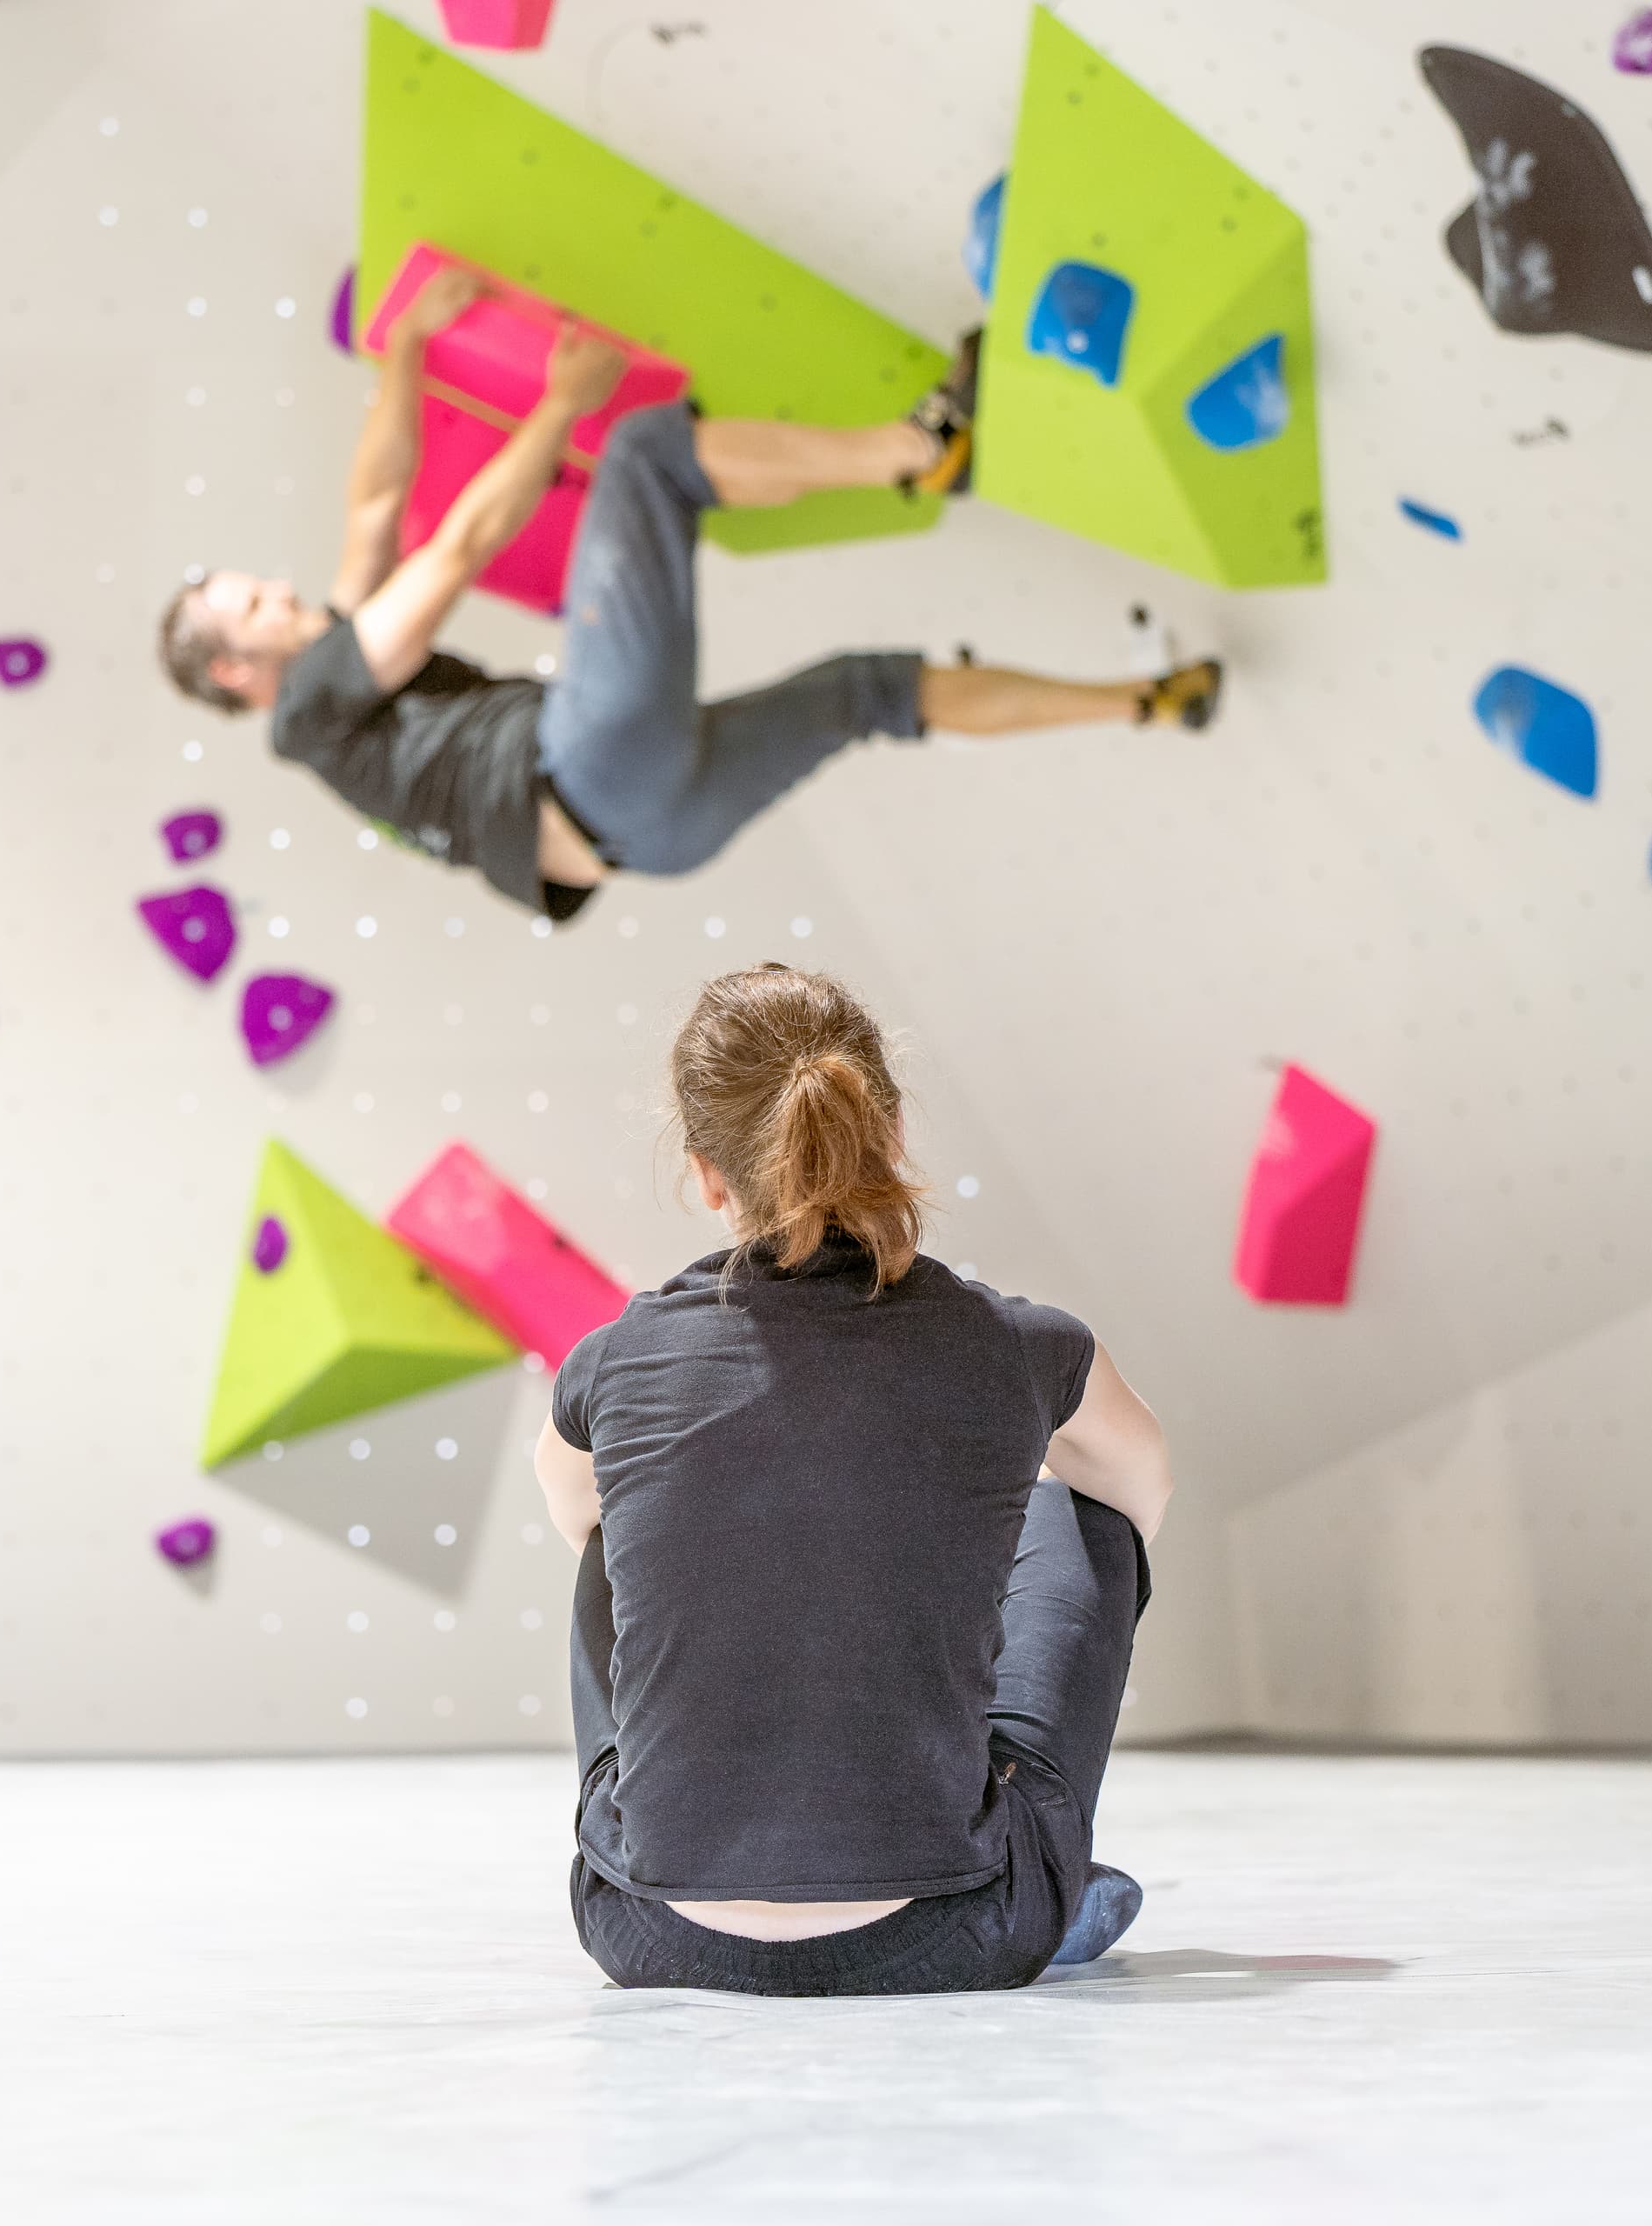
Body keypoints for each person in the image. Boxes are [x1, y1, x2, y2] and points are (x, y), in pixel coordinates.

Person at [157, 266, 1224, 923]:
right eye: (254, 607)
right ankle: (922, 447)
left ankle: (1149, 700)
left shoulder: (333, 710)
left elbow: (376, 505)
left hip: (657, 841)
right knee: (643, 455)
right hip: (588, 761)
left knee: (872, 691)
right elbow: (456, 551)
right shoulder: (307, 709)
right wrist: (561, 405)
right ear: (236, 671)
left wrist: (406, 349)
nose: (281, 592)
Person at [535, 964, 1178, 1996]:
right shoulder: (1014, 1343)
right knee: (1090, 1512)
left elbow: (582, 1521)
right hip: (962, 1929)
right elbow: (1139, 1490)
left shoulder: (615, 1359)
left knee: (618, 1539)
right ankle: (1039, 1874)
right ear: (893, 1133)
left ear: (705, 1174)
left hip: (645, 1926)